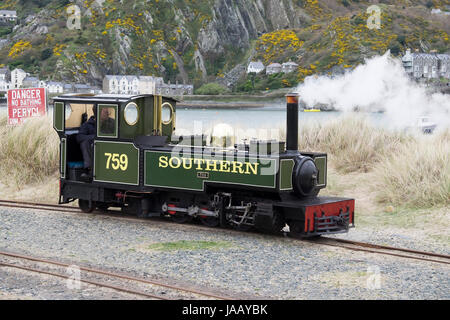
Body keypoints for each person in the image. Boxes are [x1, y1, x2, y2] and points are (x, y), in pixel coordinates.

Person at [77, 105, 97, 179]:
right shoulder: (87, 125)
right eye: (105, 111)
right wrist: (95, 138)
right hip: (94, 149)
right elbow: (79, 137)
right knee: (85, 143)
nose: (108, 113)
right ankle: (90, 169)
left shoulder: (110, 123)